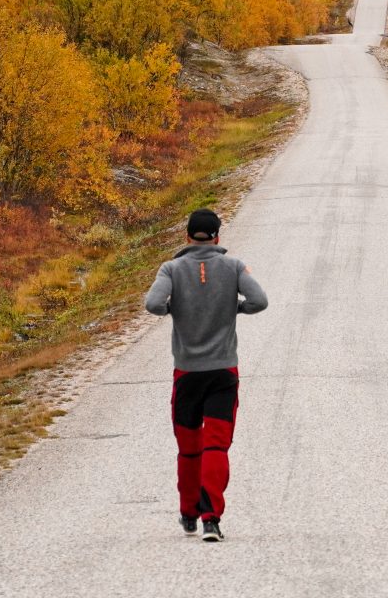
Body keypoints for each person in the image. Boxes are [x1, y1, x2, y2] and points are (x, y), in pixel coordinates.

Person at [145, 207, 268, 542]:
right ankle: (211, 518)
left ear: (186, 236)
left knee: (188, 449)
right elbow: (259, 301)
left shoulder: (171, 268)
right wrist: (234, 307)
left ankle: (188, 513)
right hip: (223, 371)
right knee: (217, 446)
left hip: (186, 373)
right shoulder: (233, 266)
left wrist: (176, 309)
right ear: (217, 236)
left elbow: (153, 304)